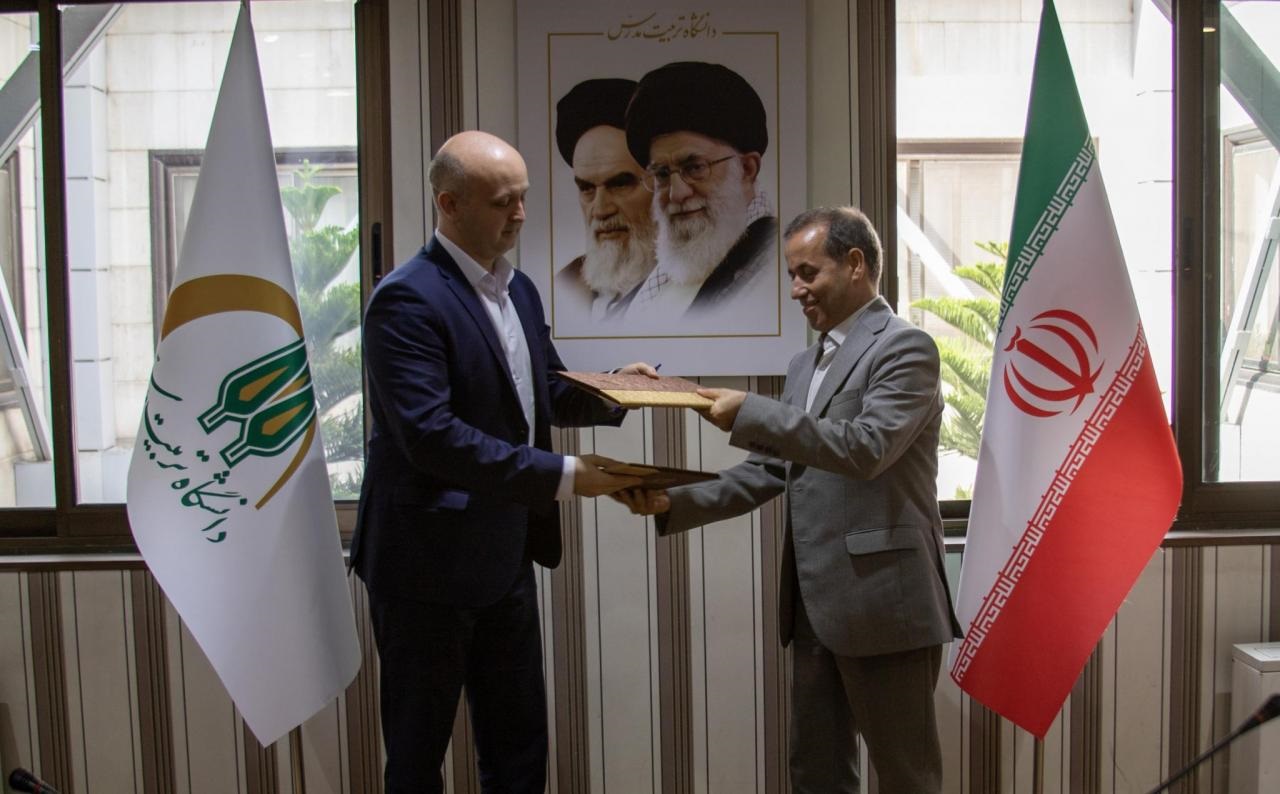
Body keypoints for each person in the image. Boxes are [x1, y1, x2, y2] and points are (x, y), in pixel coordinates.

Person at [616, 206, 961, 793]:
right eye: (790, 275)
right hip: (812, 605)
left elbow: (866, 448)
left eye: (808, 272)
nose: (796, 289)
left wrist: (750, 412)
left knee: (907, 777)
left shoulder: (907, 349)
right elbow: (774, 468)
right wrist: (673, 502)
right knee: (815, 774)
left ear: (856, 264)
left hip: (886, 605)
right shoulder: (805, 364)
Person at [351, 130, 653, 793]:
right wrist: (564, 477)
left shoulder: (518, 290)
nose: (519, 214)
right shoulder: (405, 299)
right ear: (448, 203)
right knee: (417, 757)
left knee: (519, 751)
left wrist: (617, 390)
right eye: (501, 201)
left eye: (523, 197)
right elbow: (431, 435)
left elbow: (541, 390)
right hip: (423, 567)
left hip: (504, 553)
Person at [622, 61, 778, 328]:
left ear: (747, 169)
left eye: (694, 168)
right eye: (662, 174)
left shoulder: (772, 263)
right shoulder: (639, 296)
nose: (677, 194)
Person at [553, 78, 656, 326]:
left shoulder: (705, 288)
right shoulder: (565, 284)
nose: (600, 210)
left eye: (620, 184)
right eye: (587, 188)